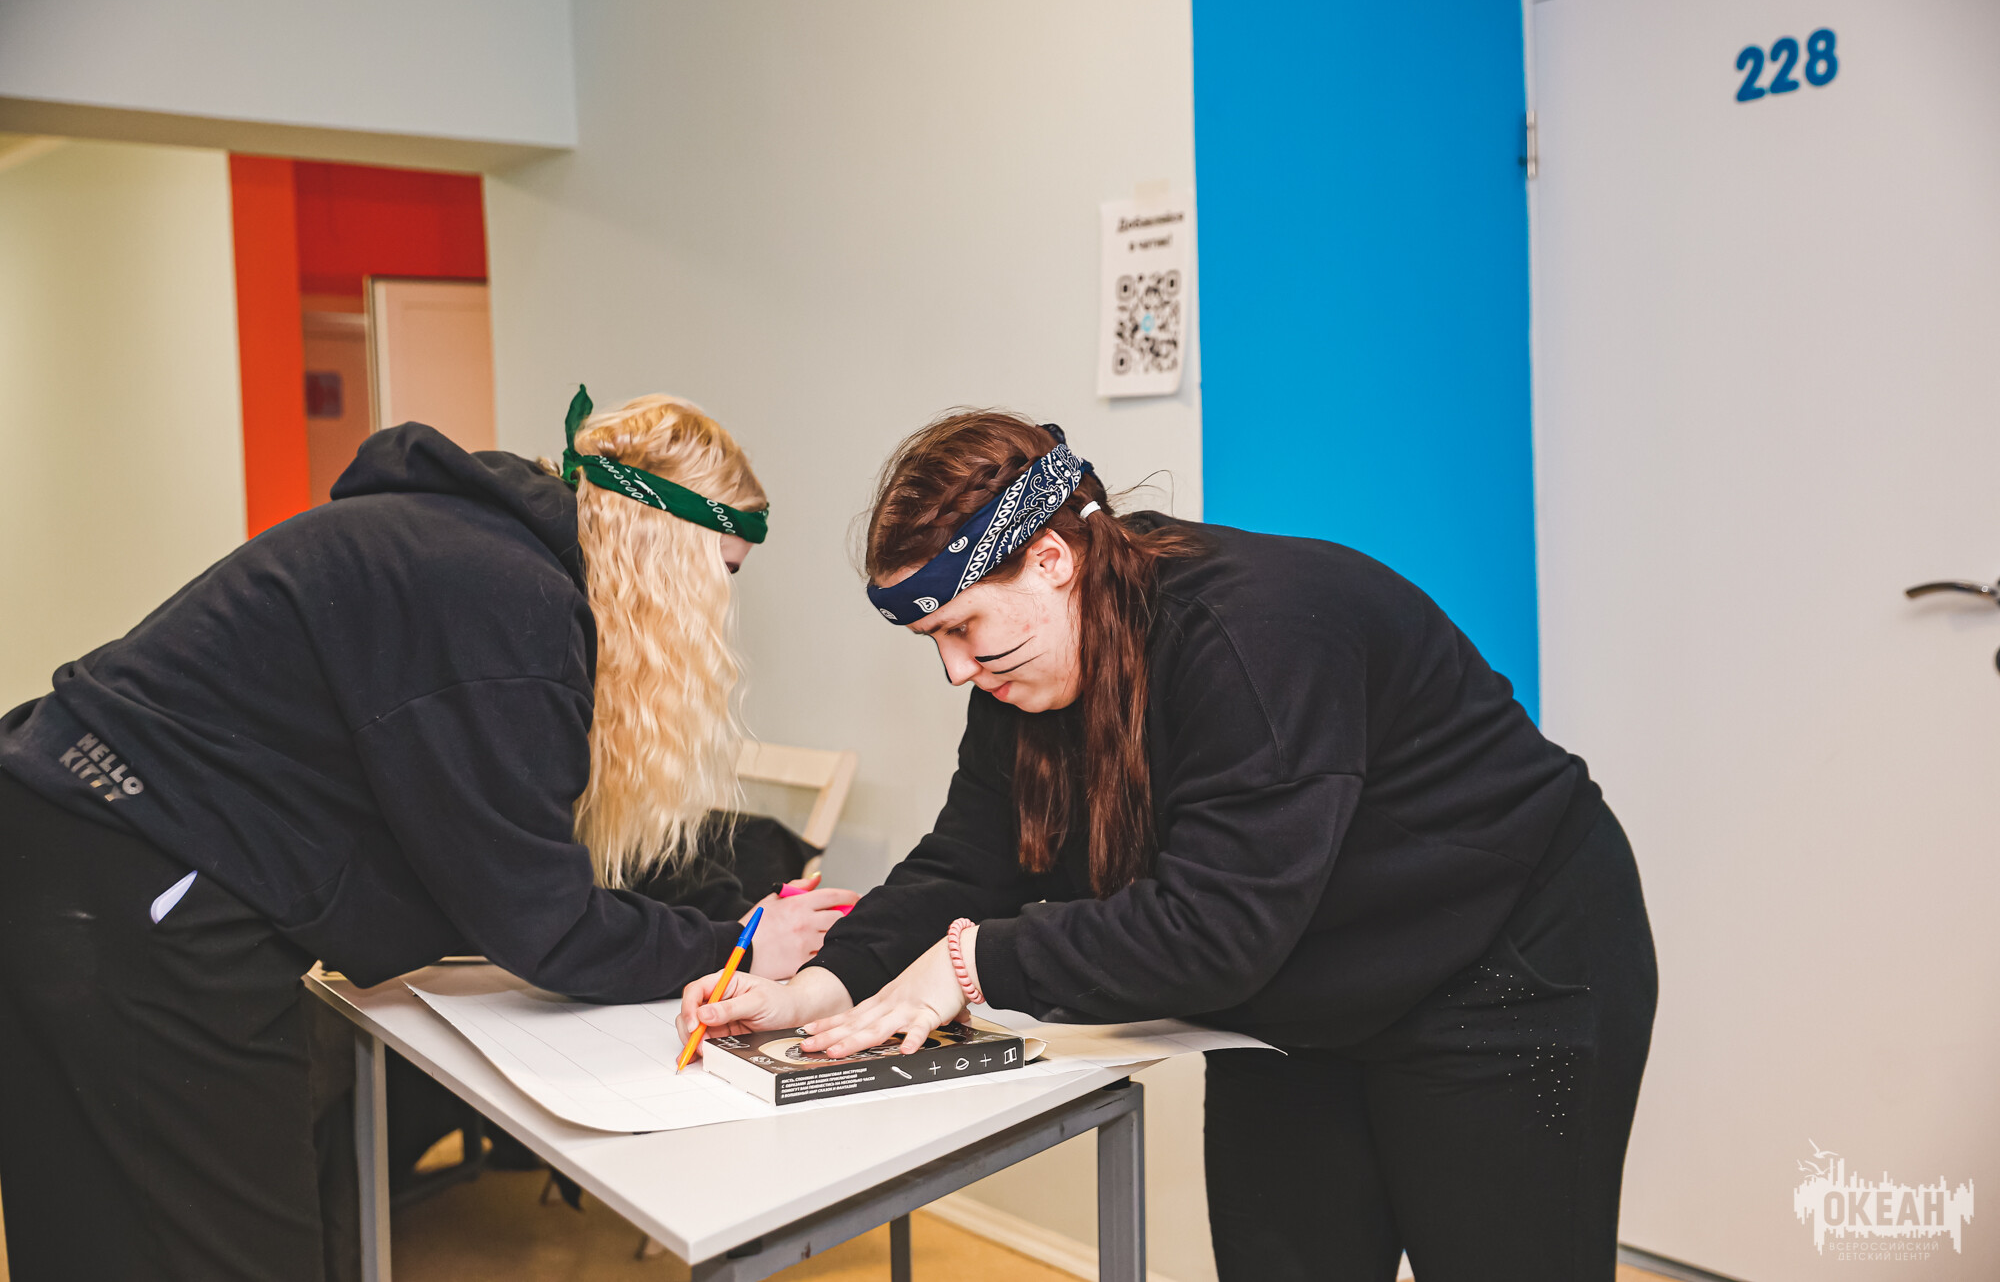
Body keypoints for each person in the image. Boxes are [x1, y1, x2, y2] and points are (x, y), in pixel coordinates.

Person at [680, 412, 1658, 1282]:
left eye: (965, 627)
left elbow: (1216, 925)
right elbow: (965, 860)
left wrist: (971, 964)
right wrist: (822, 985)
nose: (956, 669)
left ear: (1052, 559)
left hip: (1506, 963)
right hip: (1299, 994)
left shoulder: (1253, 634)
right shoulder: (1022, 674)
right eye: (935, 638)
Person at [0, 389, 854, 1281]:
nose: (719, 604)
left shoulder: (461, 547)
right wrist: (739, 943)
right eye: (725, 569)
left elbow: (476, 853)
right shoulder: (511, 598)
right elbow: (542, 923)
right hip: (135, 881)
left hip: (56, 833)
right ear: (668, 550)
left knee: (86, 1231)